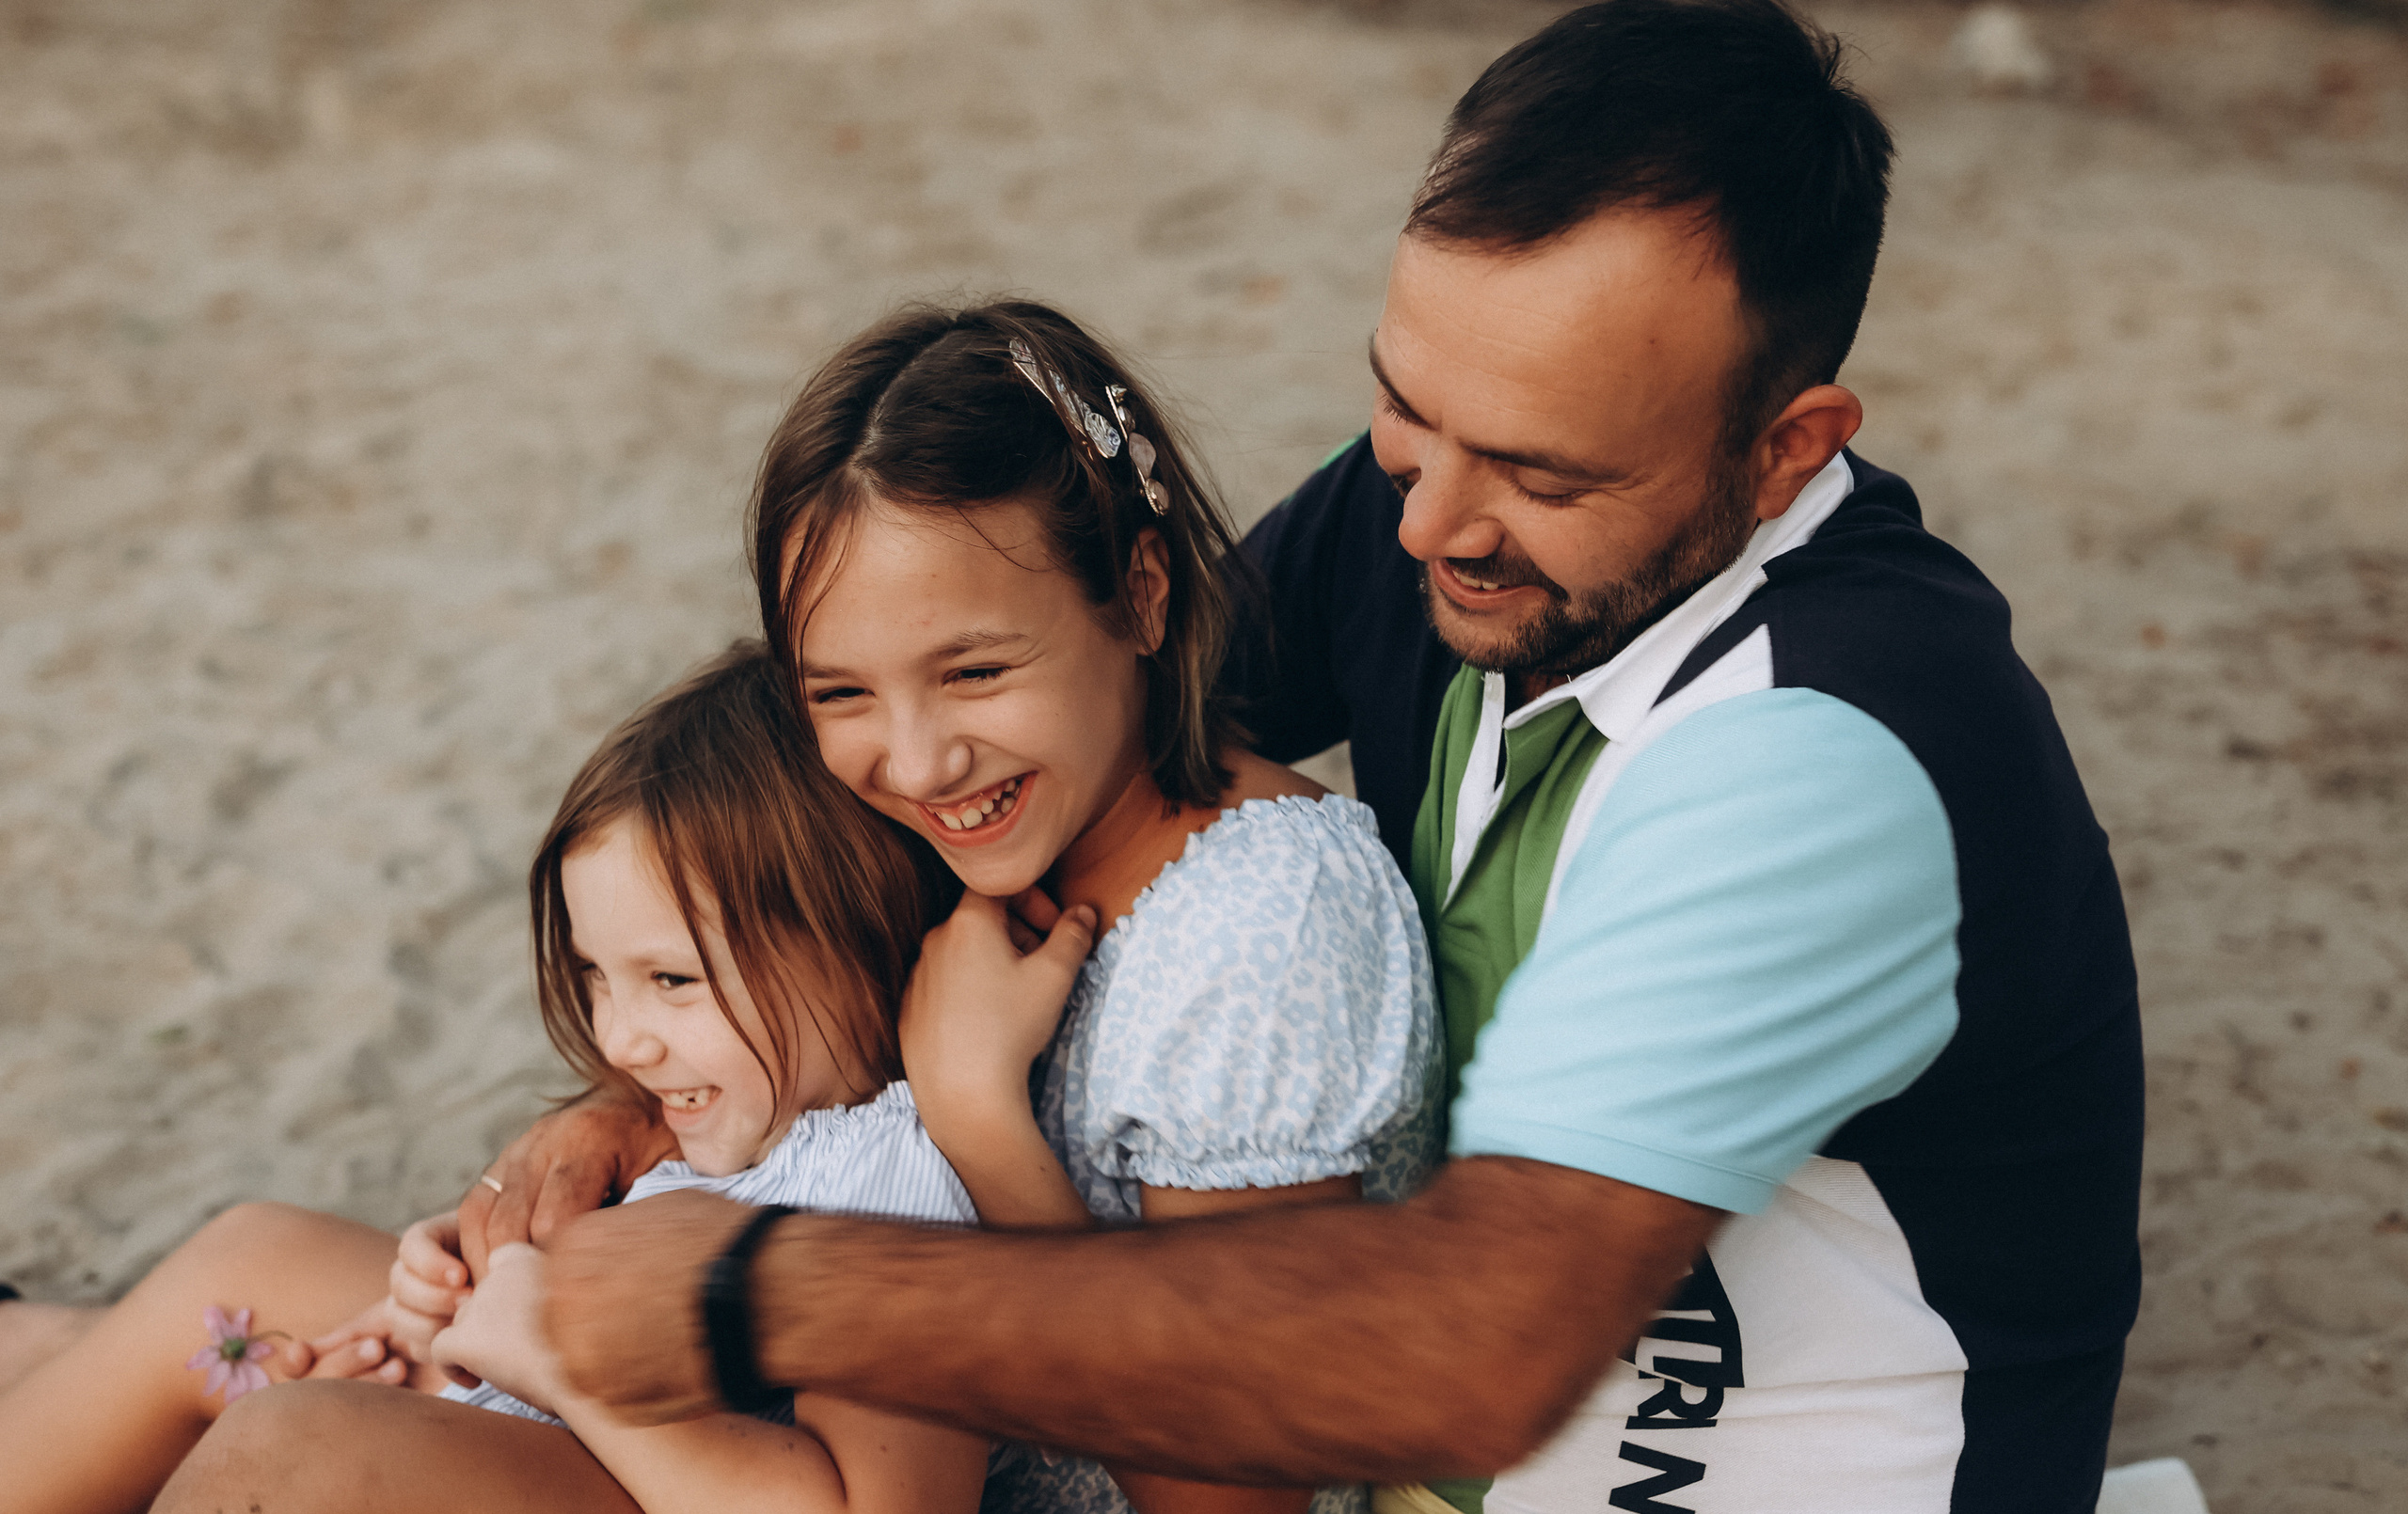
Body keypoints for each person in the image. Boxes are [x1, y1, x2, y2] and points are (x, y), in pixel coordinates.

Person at [170, 2, 2146, 1511]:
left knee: (311, 1460)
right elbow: (999, 732)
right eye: (1404, 405)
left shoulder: (1824, 750)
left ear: (1784, 446)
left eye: (1534, 467)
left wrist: (743, 1284)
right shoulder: (1450, 541)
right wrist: (610, 1120)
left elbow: (1459, 1347)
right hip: (1174, 1390)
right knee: (196, 1327)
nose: (1428, 516)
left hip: (1680, 1471)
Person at [161, 300, 1442, 1514]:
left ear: (1145, 593)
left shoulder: (1258, 936)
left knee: (296, 1449)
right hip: (817, 1409)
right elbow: (779, 1005)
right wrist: (606, 1130)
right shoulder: (995, 816)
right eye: (842, 693)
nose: (919, 757)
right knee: (243, 1272)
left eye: (976, 670)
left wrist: (986, 1126)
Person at [0, 644, 993, 1514]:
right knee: (248, 1267)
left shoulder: (889, 1187)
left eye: (672, 980)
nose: (622, 1040)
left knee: (295, 1444)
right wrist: (469, 1293)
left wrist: (557, 1356)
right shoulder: (764, 1124)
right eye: (600, 977)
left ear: (858, 938)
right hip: (576, 1434)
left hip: (636, 1461)